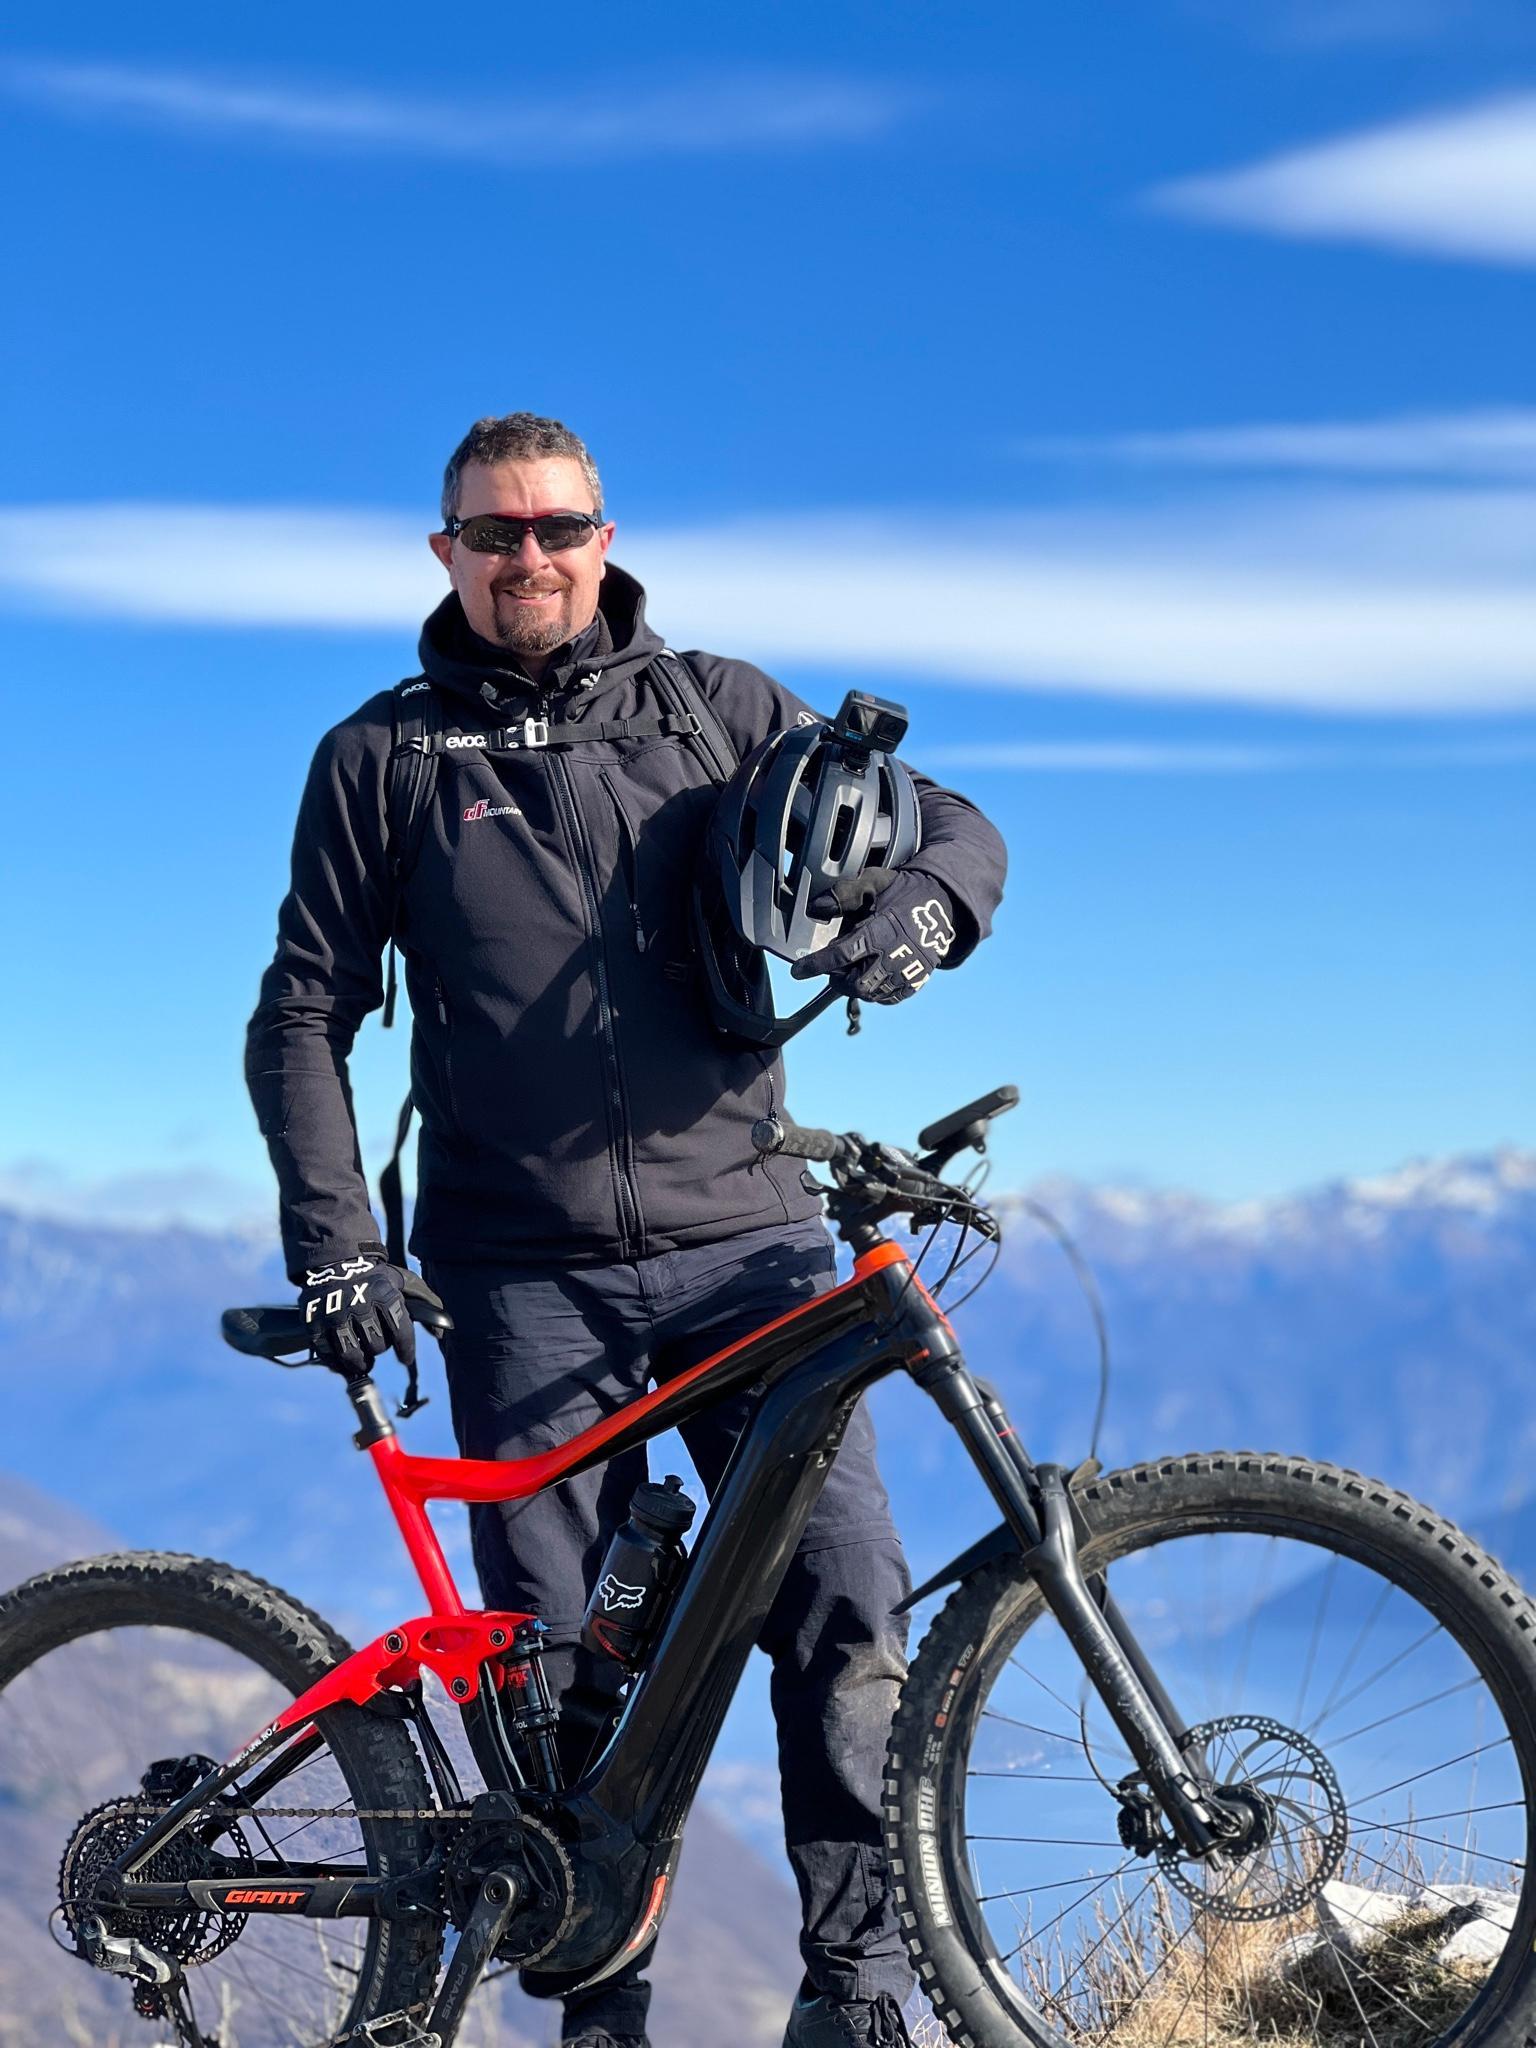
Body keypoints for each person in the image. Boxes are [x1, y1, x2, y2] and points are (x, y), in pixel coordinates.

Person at [246, 412, 1007, 2048]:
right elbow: (303, 1014)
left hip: (751, 1248)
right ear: (445, 551)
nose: (526, 557)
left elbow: (951, 822)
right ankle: (602, 2022)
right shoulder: (383, 758)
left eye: (555, 527)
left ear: (605, 539)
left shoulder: (718, 710)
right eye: (493, 532)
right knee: (553, 1676)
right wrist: (338, 1244)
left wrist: (925, 908)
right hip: (517, 1275)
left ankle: (859, 1994)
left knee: (845, 1598)